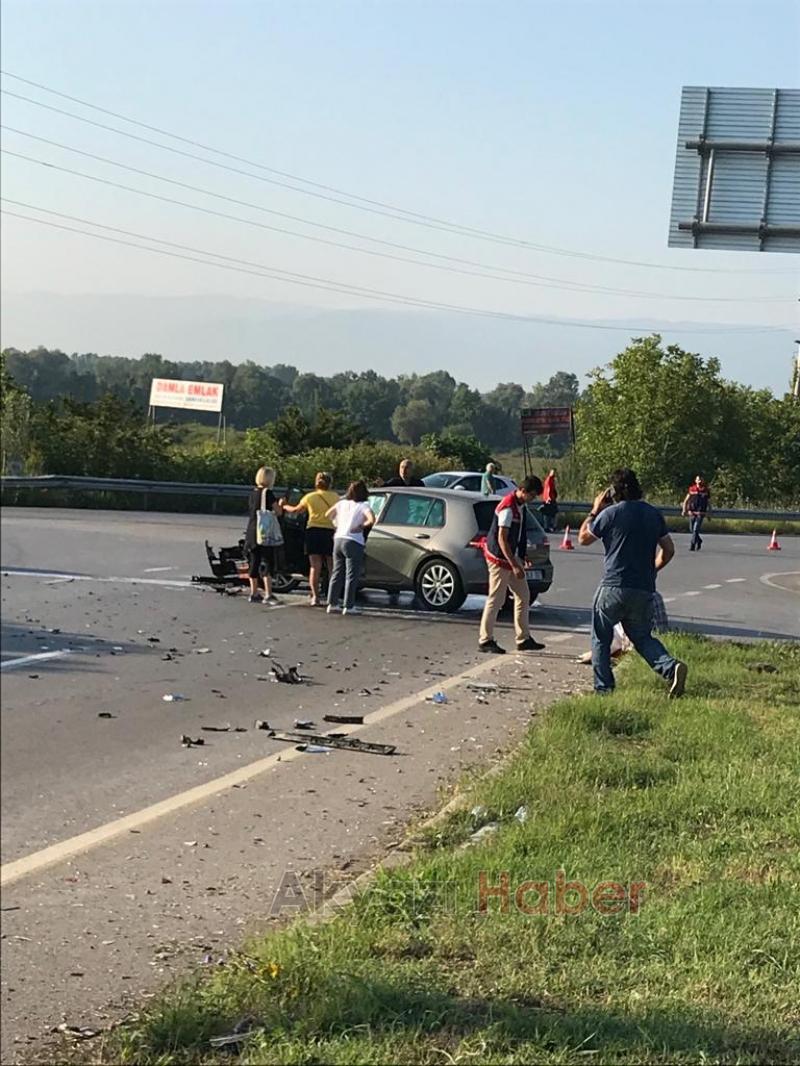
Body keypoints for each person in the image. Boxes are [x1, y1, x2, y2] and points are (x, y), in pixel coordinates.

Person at [578, 467, 687, 697]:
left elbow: (583, 539)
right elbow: (669, 549)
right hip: (643, 588)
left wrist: (594, 510)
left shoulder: (610, 514)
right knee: (641, 637)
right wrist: (654, 568)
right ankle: (670, 667)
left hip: (614, 585)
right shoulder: (653, 514)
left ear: (613, 491)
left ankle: (604, 688)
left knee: (601, 636)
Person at [478, 475, 546, 654]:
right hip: (499, 559)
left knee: (523, 595)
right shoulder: (507, 508)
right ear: (523, 491)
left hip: (510, 558)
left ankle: (523, 638)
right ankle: (485, 640)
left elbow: (520, 534)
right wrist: (514, 565)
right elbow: (502, 539)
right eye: (532, 495)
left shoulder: (520, 506)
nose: (533, 499)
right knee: (496, 599)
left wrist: (522, 557)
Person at [279, 472, 339, 606]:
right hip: (330, 532)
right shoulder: (335, 497)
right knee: (332, 566)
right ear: (330, 483)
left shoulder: (310, 497)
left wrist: (284, 505)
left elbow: (295, 511)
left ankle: (315, 597)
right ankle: (332, 596)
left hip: (313, 532)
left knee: (314, 567)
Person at [325, 480, 376, 616]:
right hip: (354, 540)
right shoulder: (363, 505)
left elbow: (328, 514)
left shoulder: (341, 503)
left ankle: (332, 603)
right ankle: (349, 605)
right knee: (351, 575)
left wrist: (337, 523)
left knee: (337, 572)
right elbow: (371, 520)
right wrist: (361, 526)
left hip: (338, 539)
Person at [245, 466, 283, 605]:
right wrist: (281, 504)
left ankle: (254, 592)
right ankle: (268, 593)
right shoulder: (268, 493)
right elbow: (278, 512)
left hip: (252, 530)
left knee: (254, 562)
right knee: (267, 562)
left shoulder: (253, 493)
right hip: (265, 532)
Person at [681, 475, 712, 552]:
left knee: (695, 529)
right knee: (691, 529)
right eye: (698, 480)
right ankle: (699, 540)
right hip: (692, 512)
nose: (700, 481)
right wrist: (684, 510)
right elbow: (686, 500)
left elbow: (709, 503)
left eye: (701, 480)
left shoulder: (706, 490)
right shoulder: (692, 489)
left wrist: (709, 513)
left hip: (701, 513)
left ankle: (692, 544)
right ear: (696, 481)